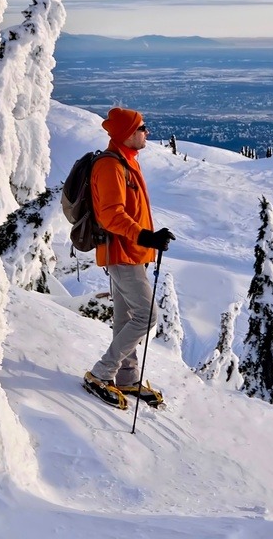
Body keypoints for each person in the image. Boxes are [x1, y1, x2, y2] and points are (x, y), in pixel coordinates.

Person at [83, 107, 176, 409]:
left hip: (131, 254)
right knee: (148, 316)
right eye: (142, 127)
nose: (147, 132)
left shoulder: (127, 162)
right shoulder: (111, 166)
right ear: (127, 133)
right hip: (121, 254)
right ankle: (101, 373)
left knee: (126, 318)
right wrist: (145, 237)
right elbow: (111, 216)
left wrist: (147, 239)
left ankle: (125, 377)